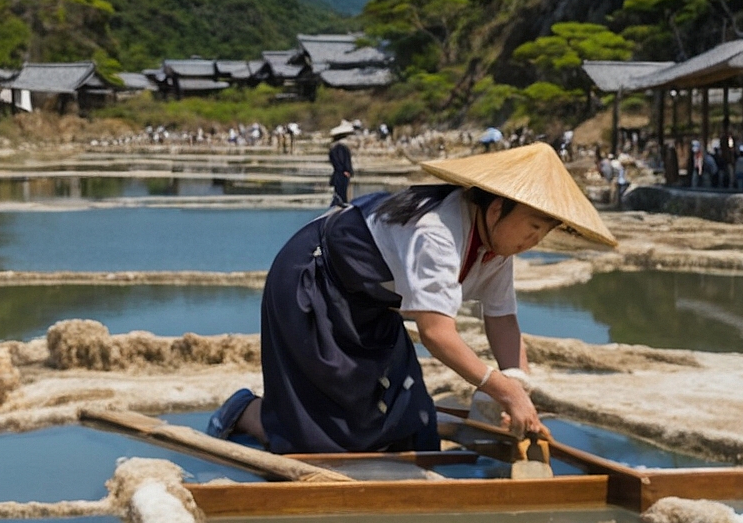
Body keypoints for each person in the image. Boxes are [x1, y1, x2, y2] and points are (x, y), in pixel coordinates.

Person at [207, 144, 618, 454]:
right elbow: (436, 333)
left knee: (409, 422)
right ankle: (244, 411)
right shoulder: (438, 232)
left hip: (371, 302)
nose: (533, 241)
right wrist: (504, 391)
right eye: (531, 227)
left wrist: (520, 386)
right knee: (318, 441)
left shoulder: (496, 249)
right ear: (495, 210)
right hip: (314, 280)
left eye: (542, 233)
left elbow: (502, 320)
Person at [327, 121, 356, 207]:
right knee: (341, 194)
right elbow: (341, 160)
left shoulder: (334, 147)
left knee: (339, 193)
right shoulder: (340, 147)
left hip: (339, 173)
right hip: (341, 174)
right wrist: (346, 170)